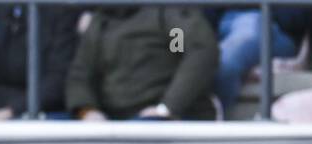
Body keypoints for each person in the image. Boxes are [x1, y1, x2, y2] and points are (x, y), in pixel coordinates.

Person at [65, 6, 219, 120]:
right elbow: (81, 73)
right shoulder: (100, 22)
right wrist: (87, 110)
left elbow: (193, 50)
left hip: (163, 115)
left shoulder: (167, 14)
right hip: (112, 119)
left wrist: (168, 107)